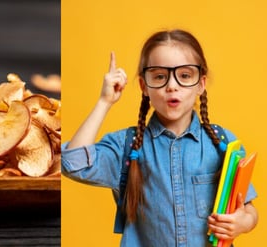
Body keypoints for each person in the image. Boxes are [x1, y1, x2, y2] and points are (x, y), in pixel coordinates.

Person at [61, 29, 258, 246]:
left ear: (201, 84)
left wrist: (244, 222)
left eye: (184, 75)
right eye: (160, 76)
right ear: (144, 86)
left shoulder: (222, 143)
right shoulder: (126, 147)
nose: (171, 86)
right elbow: (72, 163)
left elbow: (248, 208)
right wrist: (104, 102)